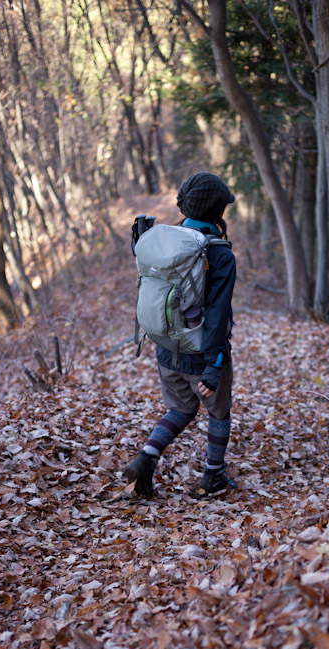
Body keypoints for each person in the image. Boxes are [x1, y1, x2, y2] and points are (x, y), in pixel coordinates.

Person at [124, 171, 237, 497]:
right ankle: (212, 477)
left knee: (181, 409)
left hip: (166, 347)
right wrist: (214, 364)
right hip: (203, 354)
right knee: (218, 412)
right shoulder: (219, 253)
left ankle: (146, 459)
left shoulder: (163, 241)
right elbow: (216, 316)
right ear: (218, 209)